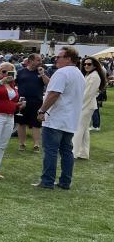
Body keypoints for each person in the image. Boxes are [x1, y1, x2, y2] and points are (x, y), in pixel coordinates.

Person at [34, 46, 85, 190]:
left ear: (68, 58)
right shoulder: (79, 74)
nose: (56, 59)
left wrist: (42, 110)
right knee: (66, 151)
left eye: (59, 57)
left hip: (56, 118)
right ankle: (65, 181)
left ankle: (47, 181)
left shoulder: (62, 73)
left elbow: (54, 93)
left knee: (51, 151)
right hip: (70, 119)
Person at [15, 54, 49, 151]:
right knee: (21, 123)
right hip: (22, 101)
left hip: (36, 101)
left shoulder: (42, 72)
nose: (40, 62)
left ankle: (36, 145)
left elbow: (49, 84)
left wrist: (42, 74)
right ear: (30, 61)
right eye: (38, 60)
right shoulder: (21, 72)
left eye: (40, 60)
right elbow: (14, 83)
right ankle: (22, 144)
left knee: (36, 124)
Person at [73, 56, 106, 159]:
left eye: (89, 64)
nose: (86, 66)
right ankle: (83, 153)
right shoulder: (89, 75)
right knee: (84, 130)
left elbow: (88, 94)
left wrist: (79, 107)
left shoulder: (95, 76)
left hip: (86, 106)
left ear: (95, 65)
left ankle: (74, 152)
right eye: (85, 64)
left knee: (79, 129)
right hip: (87, 105)